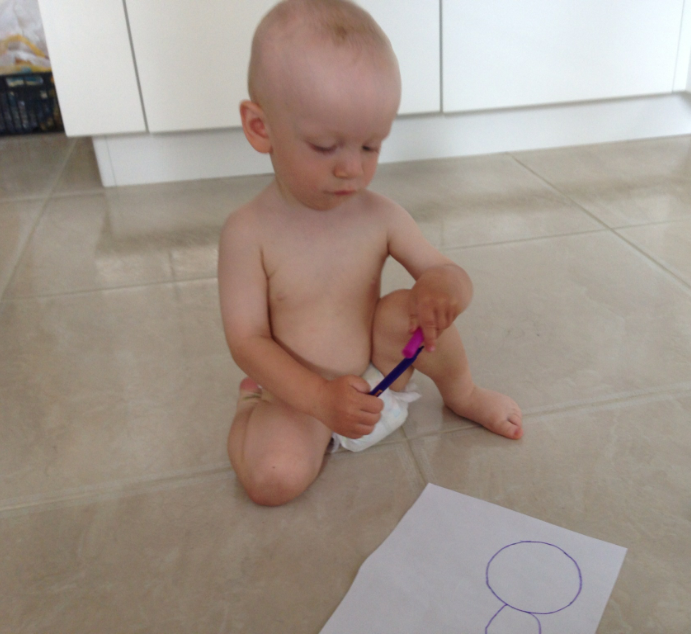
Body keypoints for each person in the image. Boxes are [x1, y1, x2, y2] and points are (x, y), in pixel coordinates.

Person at [218, 0, 522, 507]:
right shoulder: (247, 232)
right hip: (300, 393)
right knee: (272, 480)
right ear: (260, 127)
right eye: (324, 146)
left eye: (369, 146)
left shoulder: (380, 215)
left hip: (379, 369)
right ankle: (250, 406)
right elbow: (246, 340)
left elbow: (447, 272)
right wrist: (318, 398)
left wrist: (445, 286)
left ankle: (464, 393)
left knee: (414, 311)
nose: (351, 170)